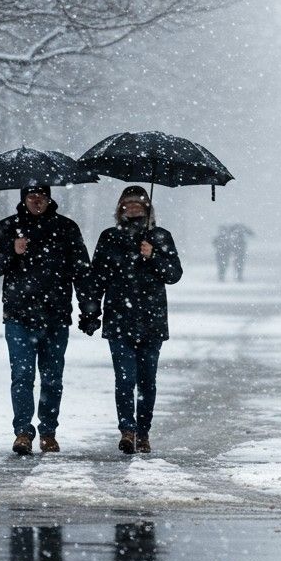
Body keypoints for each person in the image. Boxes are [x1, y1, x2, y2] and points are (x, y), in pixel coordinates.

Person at [0, 186, 93, 455]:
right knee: (22, 375)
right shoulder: (8, 227)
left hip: (55, 316)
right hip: (19, 316)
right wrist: (12, 251)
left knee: (52, 377)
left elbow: (82, 270)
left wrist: (88, 310)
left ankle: (48, 432)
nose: (36, 200)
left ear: (49, 197)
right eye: (31, 196)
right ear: (23, 198)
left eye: (41, 195)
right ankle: (23, 431)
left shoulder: (66, 228)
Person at [80, 186, 183, 454]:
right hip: (119, 319)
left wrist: (153, 256)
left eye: (139, 204)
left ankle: (143, 432)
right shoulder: (109, 238)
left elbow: (173, 274)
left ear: (148, 208)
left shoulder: (160, 237)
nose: (133, 208)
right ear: (120, 208)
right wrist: (91, 313)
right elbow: (97, 278)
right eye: (128, 204)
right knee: (125, 379)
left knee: (147, 381)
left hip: (152, 320)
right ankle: (127, 430)